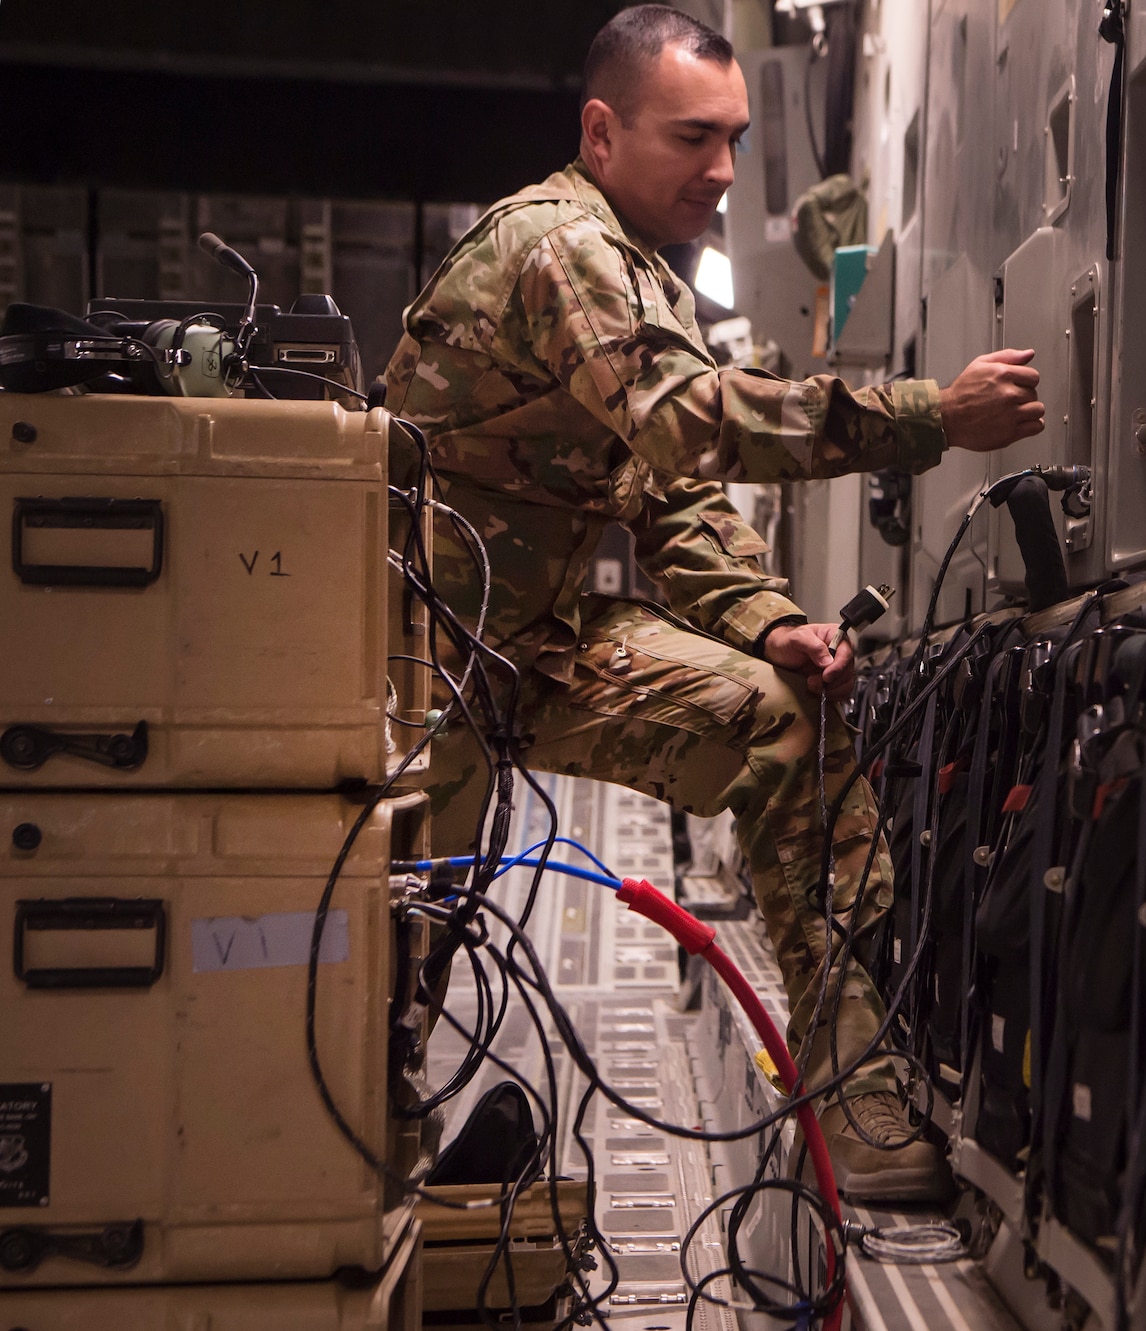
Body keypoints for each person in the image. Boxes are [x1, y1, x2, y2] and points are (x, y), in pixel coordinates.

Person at [381, 4, 1043, 1200]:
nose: (724, 172)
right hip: (418, 655)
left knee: (784, 713)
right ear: (601, 131)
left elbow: (668, 491)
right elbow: (697, 421)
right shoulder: (560, 251)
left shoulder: (642, 278)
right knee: (401, 932)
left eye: (734, 139)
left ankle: (851, 1095)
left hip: (527, 641)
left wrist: (763, 622)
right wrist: (928, 418)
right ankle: (348, 1176)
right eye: (693, 137)